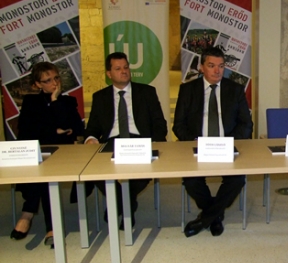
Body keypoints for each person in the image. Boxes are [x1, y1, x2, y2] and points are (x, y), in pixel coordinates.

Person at [79, 52, 167, 228]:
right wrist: (90, 138)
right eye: (118, 68)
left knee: (142, 172)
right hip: (112, 142)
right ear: (109, 73)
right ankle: (126, 204)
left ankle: (119, 205)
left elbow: (159, 123)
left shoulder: (147, 92)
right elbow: (93, 128)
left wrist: (154, 142)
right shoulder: (100, 97)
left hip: (139, 141)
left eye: (126, 67)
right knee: (94, 170)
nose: (124, 71)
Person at [173, 46, 253, 237]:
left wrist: (228, 143)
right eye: (211, 66)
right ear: (201, 67)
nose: (217, 70)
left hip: (226, 146)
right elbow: (178, 125)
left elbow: (246, 124)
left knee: (237, 179)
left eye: (221, 66)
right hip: (199, 147)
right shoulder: (188, 90)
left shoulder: (235, 90)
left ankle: (205, 219)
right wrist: (195, 142)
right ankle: (215, 216)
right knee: (191, 181)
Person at [12, 62, 84, 246]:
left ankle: (28, 213)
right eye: (48, 80)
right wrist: (55, 131)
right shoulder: (31, 102)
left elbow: (76, 127)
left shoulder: (67, 101)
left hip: (62, 153)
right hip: (37, 150)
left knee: (46, 170)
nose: (55, 83)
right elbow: (26, 130)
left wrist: (54, 100)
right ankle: (50, 226)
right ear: (38, 84)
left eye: (56, 78)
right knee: (42, 169)